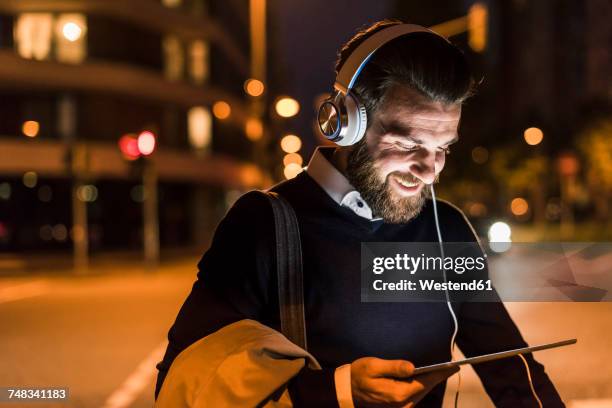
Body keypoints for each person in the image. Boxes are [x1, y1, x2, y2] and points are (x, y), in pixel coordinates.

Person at [155, 20, 564, 407]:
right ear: (345, 123)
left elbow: (515, 369)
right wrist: (336, 392)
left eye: (443, 148)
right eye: (408, 143)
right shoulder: (262, 225)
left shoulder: (447, 229)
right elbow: (181, 382)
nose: (430, 170)